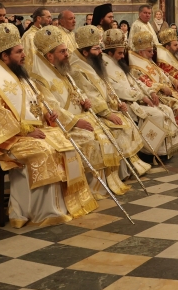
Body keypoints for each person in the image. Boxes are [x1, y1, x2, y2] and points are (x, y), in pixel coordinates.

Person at [0, 23, 98, 228]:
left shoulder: (18, 75)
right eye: (19, 52)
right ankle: (38, 211)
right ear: (5, 56)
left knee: (65, 142)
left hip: (27, 134)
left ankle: (66, 204)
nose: (24, 55)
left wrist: (48, 116)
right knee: (45, 150)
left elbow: (35, 104)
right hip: (6, 141)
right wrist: (26, 132)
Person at [27, 25, 121, 199]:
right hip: (63, 125)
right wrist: (76, 122)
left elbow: (76, 90)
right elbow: (51, 107)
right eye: (62, 52)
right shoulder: (40, 77)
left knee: (104, 132)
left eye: (66, 50)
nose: (67, 54)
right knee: (90, 138)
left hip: (80, 117)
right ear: (49, 56)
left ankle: (105, 184)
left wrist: (85, 101)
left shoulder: (62, 69)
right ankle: (88, 189)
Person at [69, 26, 151, 184]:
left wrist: (117, 104)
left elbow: (107, 86)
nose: (100, 52)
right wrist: (108, 113)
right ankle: (119, 172)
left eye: (100, 48)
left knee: (125, 123)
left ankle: (130, 166)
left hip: (106, 108)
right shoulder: (77, 68)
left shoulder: (92, 62)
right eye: (96, 49)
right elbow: (90, 94)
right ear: (85, 52)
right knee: (118, 127)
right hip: (93, 112)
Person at [100, 28, 178, 158]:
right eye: (120, 53)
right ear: (109, 52)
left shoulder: (118, 62)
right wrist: (141, 96)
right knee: (157, 114)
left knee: (167, 110)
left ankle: (165, 151)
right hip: (124, 103)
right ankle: (150, 153)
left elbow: (135, 81)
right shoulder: (104, 65)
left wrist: (150, 92)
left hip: (136, 99)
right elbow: (116, 89)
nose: (123, 56)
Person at [128, 30, 178, 148]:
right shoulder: (135, 67)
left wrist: (174, 80)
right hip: (158, 95)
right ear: (140, 52)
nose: (152, 53)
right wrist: (161, 87)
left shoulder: (148, 61)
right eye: (149, 51)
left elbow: (162, 72)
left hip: (169, 90)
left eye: (152, 50)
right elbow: (143, 83)